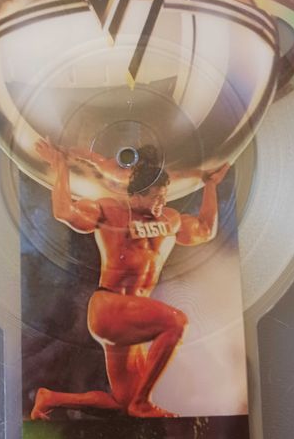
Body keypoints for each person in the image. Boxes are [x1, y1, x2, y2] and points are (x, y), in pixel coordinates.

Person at [31, 140, 229, 419]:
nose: (161, 203)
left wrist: (210, 185)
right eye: (155, 198)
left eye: (164, 197)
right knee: (176, 322)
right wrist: (60, 165)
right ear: (136, 195)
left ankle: (50, 398)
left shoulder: (171, 220)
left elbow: (206, 229)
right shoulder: (110, 211)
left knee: (123, 402)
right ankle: (144, 402)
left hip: (134, 317)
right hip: (109, 307)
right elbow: (65, 211)